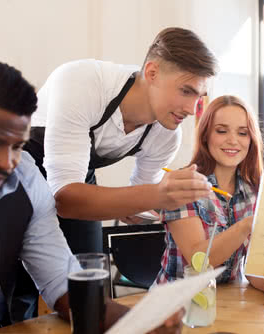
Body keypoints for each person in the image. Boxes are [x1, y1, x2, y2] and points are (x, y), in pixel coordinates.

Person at [0, 55, 183, 333]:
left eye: (16, 146)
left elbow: (62, 286)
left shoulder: (27, 182)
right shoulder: (82, 83)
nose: (6, 162)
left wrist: (140, 322)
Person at [24, 27, 217, 254]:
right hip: (20, 176)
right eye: (186, 91)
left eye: (198, 97)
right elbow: (65, 199)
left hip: (77, 179)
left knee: (88, 273)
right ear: (152, 73)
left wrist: (159, 204)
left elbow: (137, 202)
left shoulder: (167, 135)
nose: (192, 110)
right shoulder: (83, 82)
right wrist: (155, 194)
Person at [154, 95, 264, 300]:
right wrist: (245, 226)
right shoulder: (182, 185)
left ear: (251, 140)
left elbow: (252, 270)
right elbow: (198, 262)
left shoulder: (253, 191)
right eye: (221, 131)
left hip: (227, 302)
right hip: (176, 304)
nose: (233, 140)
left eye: (242, 133)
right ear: (206, 135)